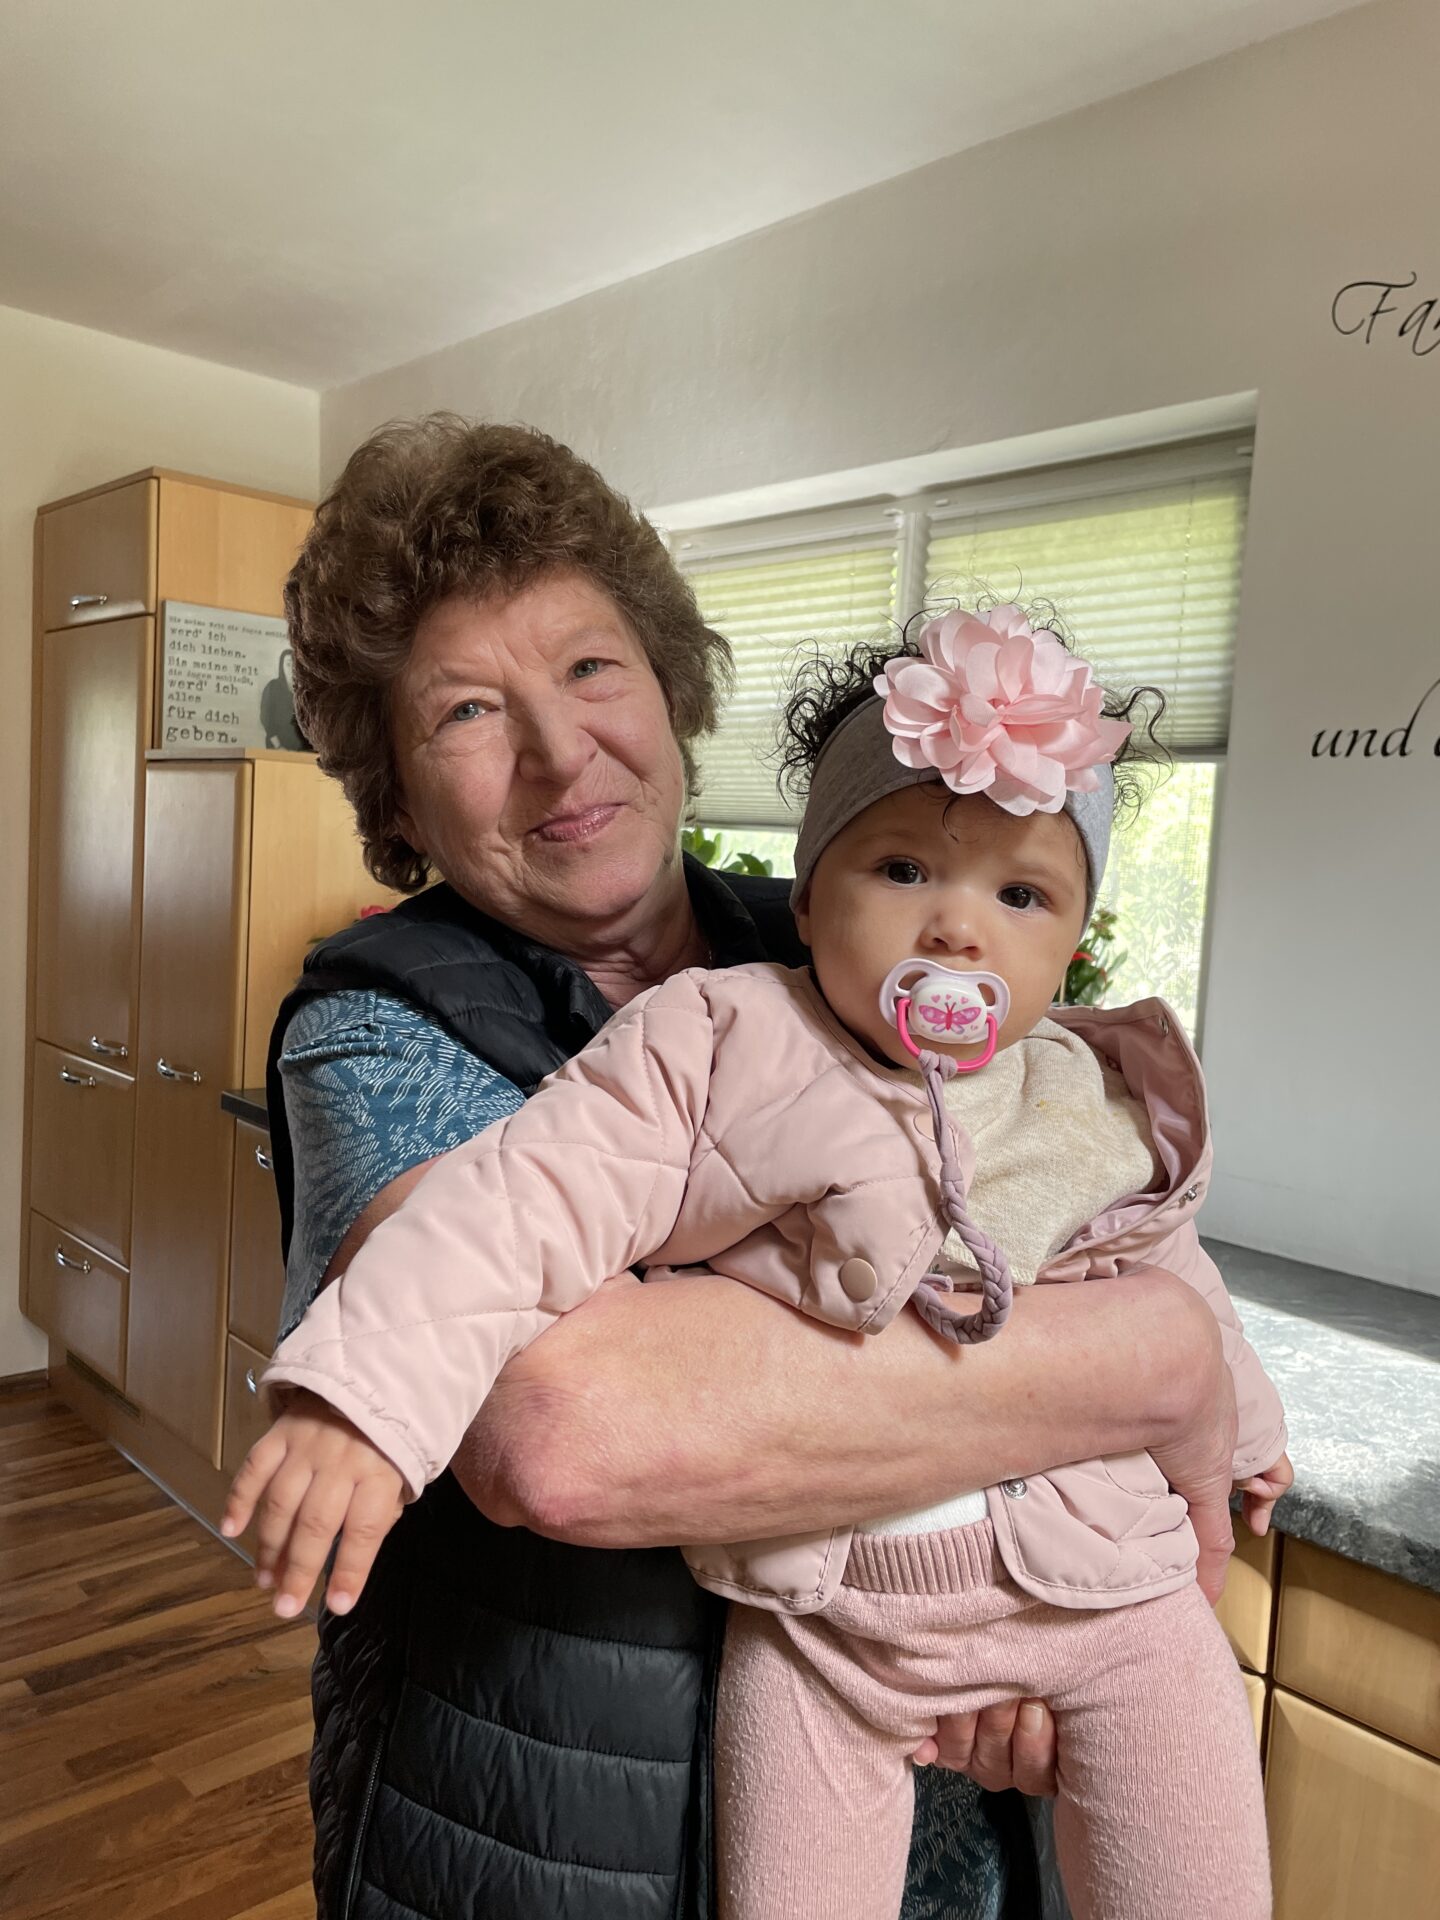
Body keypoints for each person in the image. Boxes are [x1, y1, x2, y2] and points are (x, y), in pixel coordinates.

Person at [254, 416, 1250, 1920]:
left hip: (919, 1825)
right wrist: (1154, 1363)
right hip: (555, 1834)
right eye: (466, 709)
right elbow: (564, 1426)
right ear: (395, 791)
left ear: (669, 685)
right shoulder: (374, 1028)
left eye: (592, 667)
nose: (558, 751)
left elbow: (1065, 1208)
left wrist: (1031, 1607)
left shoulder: (856, 930)